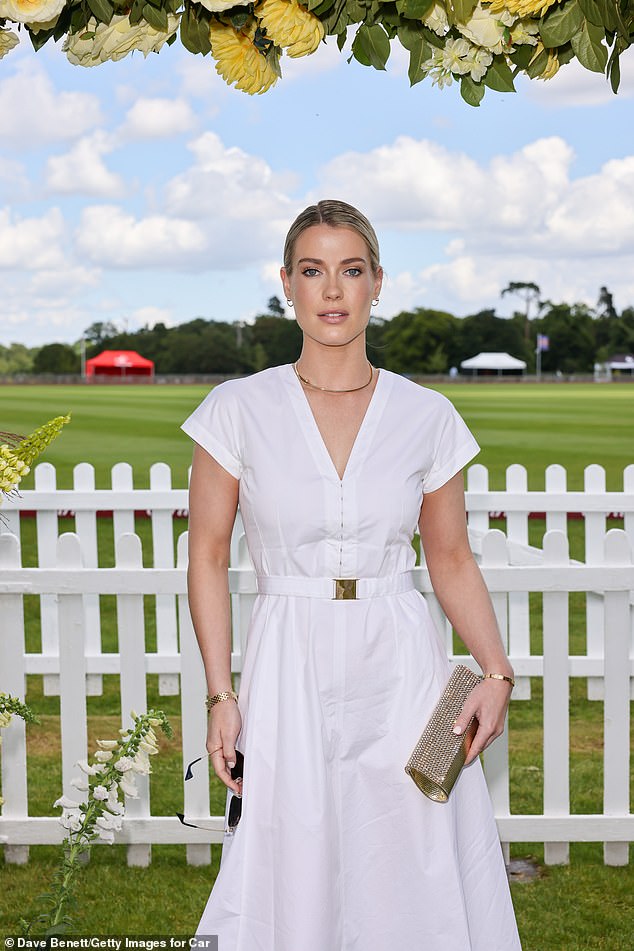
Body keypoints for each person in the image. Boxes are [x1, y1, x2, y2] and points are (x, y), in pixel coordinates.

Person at [181, 199, 522, 951]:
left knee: (410, 849)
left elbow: (451, 558)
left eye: (350, 270)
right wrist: (219, 694)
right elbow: (206, 554)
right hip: (286, 659)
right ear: (286, 285)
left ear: (377, 284)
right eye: (313, 270)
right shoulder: (235, 409)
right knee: (290, 851)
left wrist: (495, 672)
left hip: (400, 659)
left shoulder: (427, 415)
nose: (332, 290)